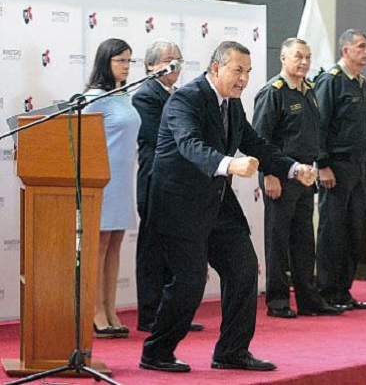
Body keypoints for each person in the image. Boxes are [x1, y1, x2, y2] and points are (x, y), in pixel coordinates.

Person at [140, 41, 316, 373]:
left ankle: (231, 351)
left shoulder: (232, 104)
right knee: (190, 282)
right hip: (180, 205)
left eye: (248, 72)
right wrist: (228, 164)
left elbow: (255, 143)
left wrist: (293, 168)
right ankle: (157, 351)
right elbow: (189, 144)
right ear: (216, 68)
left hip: (217, 204)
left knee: (244, 268)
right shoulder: (185, 99)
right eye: (238, 70)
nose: (244, 79)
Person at [252, 38, 343, 318]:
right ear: (283, 58)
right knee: (278, 240)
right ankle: (278, 300)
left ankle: (308, 299)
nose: (304, 62)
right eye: (298, 56)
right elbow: (260, 139)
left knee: (304, 239)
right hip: (280, 175)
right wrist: (269, 174)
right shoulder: (274, 92)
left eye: (307, 57)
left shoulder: (309, 90)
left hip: (305, 175)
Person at [132, 39, 203, 333]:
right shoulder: (145, 96)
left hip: (177, 181)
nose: (175, 64)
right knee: (152, 249)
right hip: (155, 179)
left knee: (174, 250)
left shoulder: (179, 95)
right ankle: (150, 315)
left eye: (178, 58)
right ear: (150, 66)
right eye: (167, 59)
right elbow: (159, 136)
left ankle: (172, 314)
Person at [83, 38, 141, 338]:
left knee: (115, 242)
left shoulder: (123, 94)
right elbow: (83, 139)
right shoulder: (94, 97)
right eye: (120, 60)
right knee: (100, 243)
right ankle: (94, 311)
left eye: (129, 60)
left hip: (123, 178)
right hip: (102, 179)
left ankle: (110, 307)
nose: (126, 66)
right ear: (105, 62)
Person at [314, 29, 366, 310]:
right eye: (361, 46)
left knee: (353, 229)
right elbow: (319, 125)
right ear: (345, 50)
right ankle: (326, 291)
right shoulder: (331, 81)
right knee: (332, 230)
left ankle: (343, 290)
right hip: (335, 166)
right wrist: (323, 164)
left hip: (358, 166)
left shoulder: (361, 83)